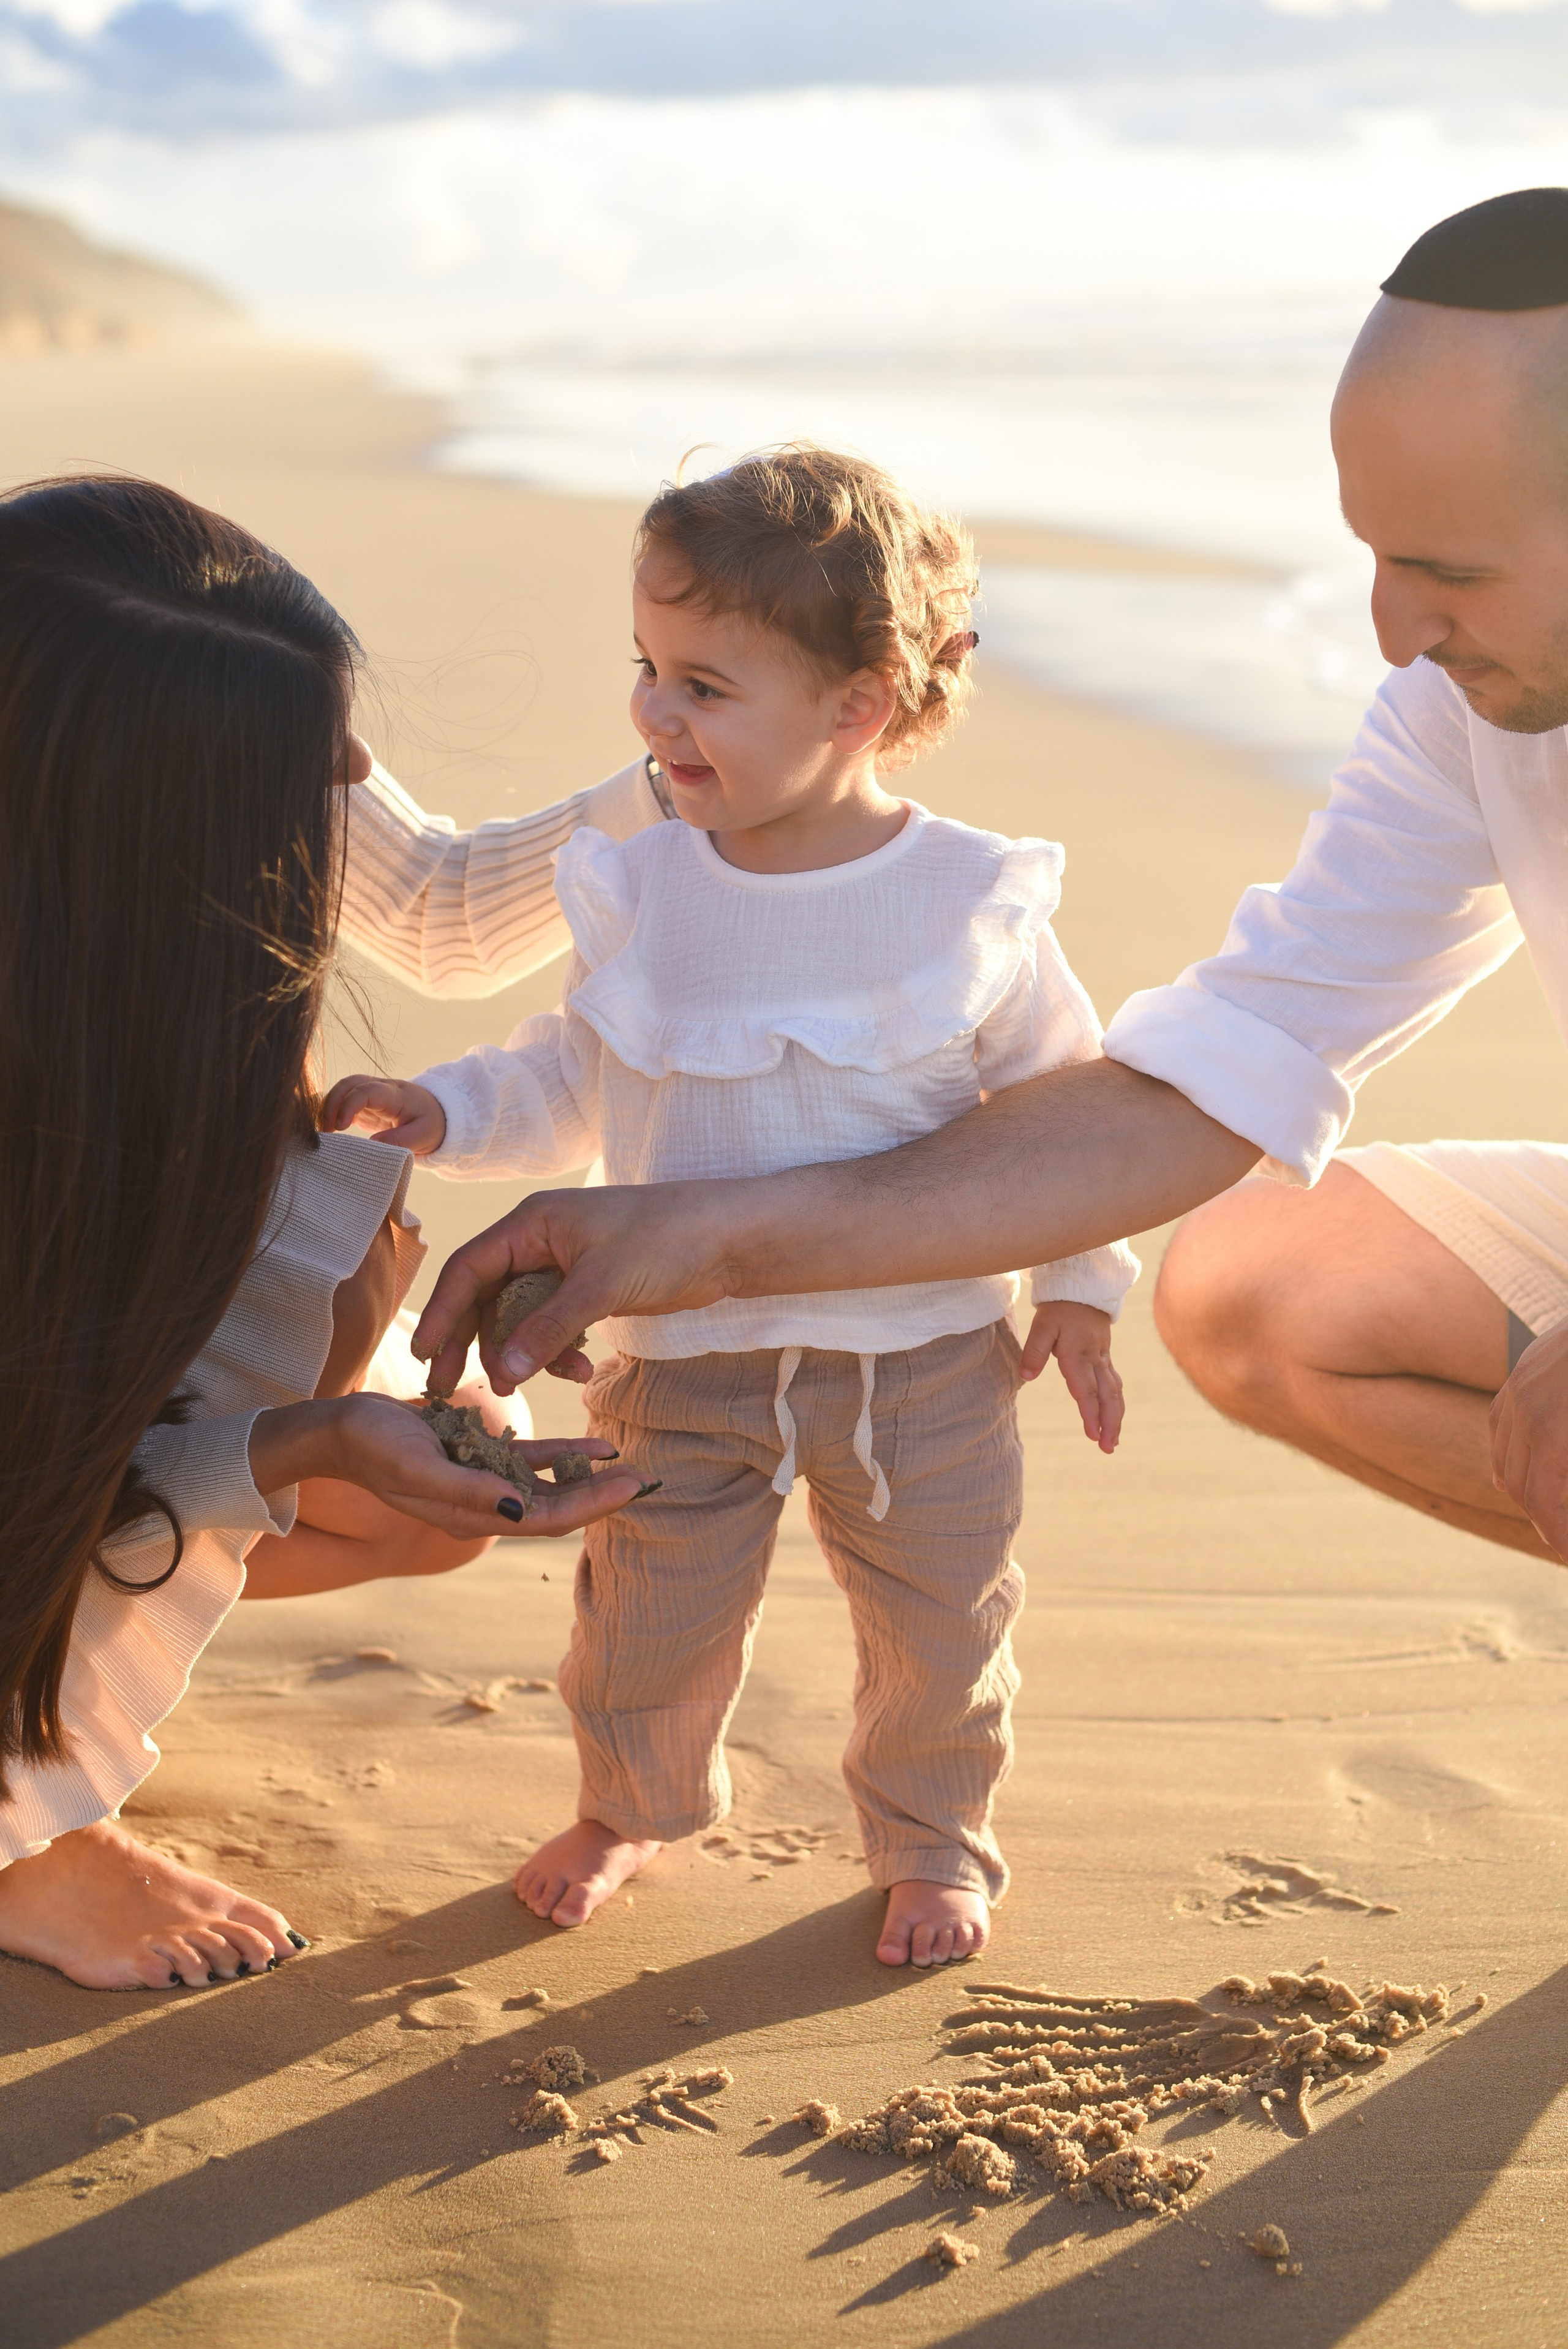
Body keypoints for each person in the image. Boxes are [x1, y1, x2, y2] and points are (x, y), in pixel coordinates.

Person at [407, 187, 1568, 1577]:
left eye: (1447, 571)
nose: (1391, 634)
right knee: (1258, 1285)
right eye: (1373, 557)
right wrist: (687, 1236)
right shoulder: (1464, 705)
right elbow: (1232, 1062)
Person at [327, 448, 1137, 1966]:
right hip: (676, 1357)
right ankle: (633, 1802)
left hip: (924, 1359)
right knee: (644, 1616)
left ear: (861, 703)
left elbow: (1061, 1106)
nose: (652, 715)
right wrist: (456, 1107)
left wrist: (1085, 1286)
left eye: (704, 685)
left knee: (941, 1620)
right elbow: (577, 1065)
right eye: (646, 668)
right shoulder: (647, 879)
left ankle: (930, 1837)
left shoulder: (966, 898)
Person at [0, 477, 646, 1994]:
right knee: (296, 1294)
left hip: (57, 1403)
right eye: (306, 768)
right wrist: (307, 1395)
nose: (353, 772)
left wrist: (709, 748)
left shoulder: (123, 754)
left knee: (417, 1479)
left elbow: (441, 910)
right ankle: (29, 1827)